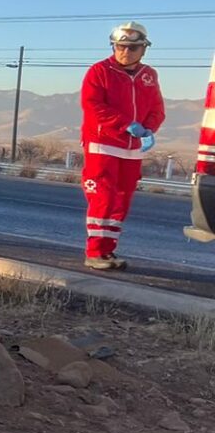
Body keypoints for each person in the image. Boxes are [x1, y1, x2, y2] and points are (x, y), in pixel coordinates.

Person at [80, 22, 165, 270]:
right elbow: (92, 106)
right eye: (120, 46)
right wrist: (125, 124)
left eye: (132, 47)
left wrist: (149, 128)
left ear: (143, 49)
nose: (125, 52)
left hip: (132, 149)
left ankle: (107, 251)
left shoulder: (149, 75)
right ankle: (95, 252)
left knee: (121, 201)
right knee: (103, 198)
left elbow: (157, 108)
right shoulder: (99, 71)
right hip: (103, 145)